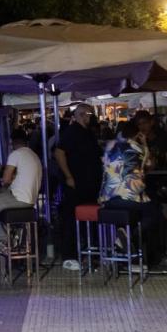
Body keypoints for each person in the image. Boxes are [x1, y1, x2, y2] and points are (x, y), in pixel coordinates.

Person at [98, 121, 164, 266]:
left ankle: (123, 238)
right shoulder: (139, 148)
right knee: (155, 213)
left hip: (108, 199)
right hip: (131, 199)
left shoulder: (109, 147)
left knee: (133, 215)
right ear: (137, 134)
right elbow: (150, 166)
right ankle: (130, 238)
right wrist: (145, 143)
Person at [53, 103, 102, 270]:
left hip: (88, 184)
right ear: (83, 115)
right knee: (71, 219)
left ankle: (90, 254)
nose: (92, 117)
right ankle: (69, 255)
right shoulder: (72, 132)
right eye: (91, 114)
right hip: (76, 183)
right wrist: (68, 176)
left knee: (86, 218)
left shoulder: (88, 133)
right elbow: (59, 153)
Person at [0, 129, 42, 253]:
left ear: (12, 143)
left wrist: (0, 171)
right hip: (28, 197)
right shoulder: (33, 155)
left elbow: (6, 179)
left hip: (18, 197)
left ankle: (5, 241)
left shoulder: (16, 154)